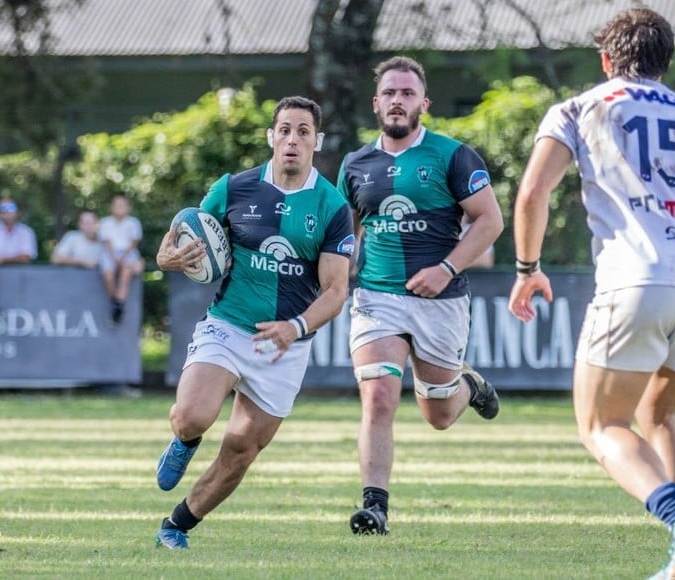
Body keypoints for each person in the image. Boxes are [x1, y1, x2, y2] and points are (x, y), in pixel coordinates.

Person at [508, 9, 675, 578]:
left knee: (601, 425)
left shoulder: (580, 108)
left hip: (636, 280)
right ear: (666, 62)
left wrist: (527, 268)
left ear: (605, 59)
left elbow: (532, 194)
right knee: (659, 414)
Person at [152, 96, 355, 550]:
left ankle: (176, 525)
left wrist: (295, 327)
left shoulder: (332, 206)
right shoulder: (233, 188)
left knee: (242, 450)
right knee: (191, 416)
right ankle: (185, 440)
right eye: (284, 130)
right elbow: (185, 232)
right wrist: (167, 257)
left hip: (286, 345)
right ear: (270, 137)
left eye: (303, 131)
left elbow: (336, 291)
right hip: (228, 325)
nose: (292, 140)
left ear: (317, 141)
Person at [337, 56, 504, 536]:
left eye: (407, 93)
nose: (398, 101)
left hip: (441, 301)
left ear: (423, 104)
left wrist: (446, 268)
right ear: (376, 103)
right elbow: (343, 236)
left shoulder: (453, 156)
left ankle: (468, 385)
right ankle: (375, 507)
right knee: (379, 397)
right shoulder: (355, 165)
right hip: (376, 298)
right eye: (390, 93)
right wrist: (331, 281)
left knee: (439, 415)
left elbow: (490, 221)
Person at [0, 197, 38, 317]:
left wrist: (0, 259)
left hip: (20, 287)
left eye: (11, 209)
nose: (8, 213)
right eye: (3, 209)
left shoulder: (26, 232)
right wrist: (12, 258)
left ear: (17, 212)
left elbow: (26, 257)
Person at [98, 194, 143, 325]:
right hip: (110, 254)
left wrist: (123, 258)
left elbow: (133, 243)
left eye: (122, 205)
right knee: (108, 275)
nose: (119, 208)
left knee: (126, 274)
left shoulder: (133, 223)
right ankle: (115, 301)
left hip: (128, 253)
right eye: (116, 205)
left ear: (128, 207)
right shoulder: (105, 223)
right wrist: (114, 258)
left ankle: (119, 305)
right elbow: (107, 243)